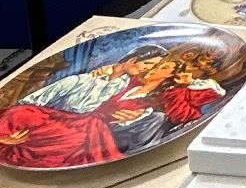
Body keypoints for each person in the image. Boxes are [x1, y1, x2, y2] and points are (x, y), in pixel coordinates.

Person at [0, 46, 177, 168]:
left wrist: (137, 115)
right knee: (20, 113)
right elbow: (32, 101)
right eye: (147, 64)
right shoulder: (80, 80)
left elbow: (119, 108)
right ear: (132, 60)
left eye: (153, 67)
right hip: (48, 117)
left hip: (80, 125)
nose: (147, 70)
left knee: (76, 139)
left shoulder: (125, 85)